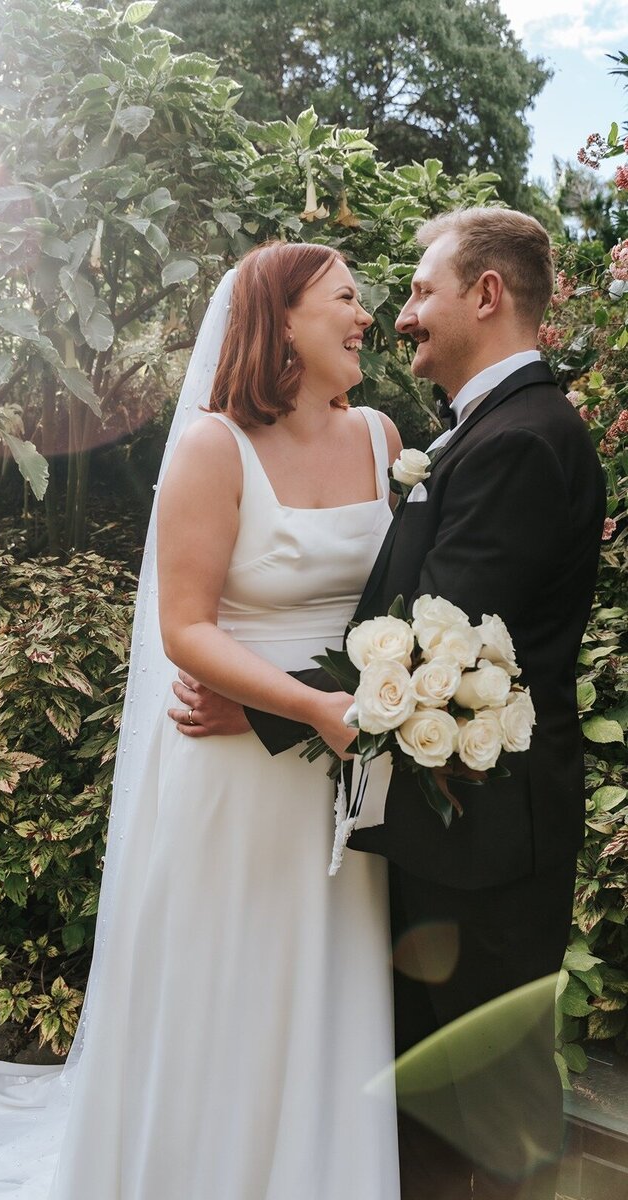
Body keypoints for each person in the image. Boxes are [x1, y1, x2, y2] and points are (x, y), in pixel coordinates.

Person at [0, 242, 402, 1200]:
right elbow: (184, 627)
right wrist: (313, 707)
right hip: (235, 768)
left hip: (339, 770)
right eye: (347, 299)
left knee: (323, 980)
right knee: (225, 986)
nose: (367, 317)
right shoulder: (212, 447)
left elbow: (401, 599)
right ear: (282, 320)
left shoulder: (385, 440)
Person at [171, 208, 606, 1200]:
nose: (397, 314)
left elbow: (438, 647)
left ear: (485, 296)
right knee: (432, 1104)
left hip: (485, 836)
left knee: (483, 1111)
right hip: (444, 824)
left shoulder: (519, 441)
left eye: (416, 289)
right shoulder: (475, 433)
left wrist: (270, 709)